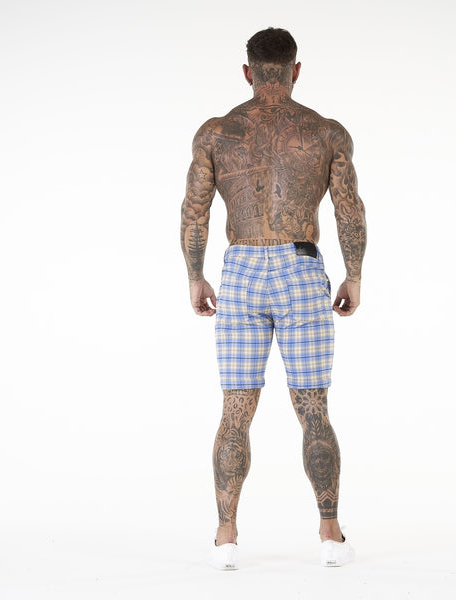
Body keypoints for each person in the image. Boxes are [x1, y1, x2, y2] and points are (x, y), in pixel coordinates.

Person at [180, 27, 366, 569]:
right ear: (296, 70)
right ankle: (330, 536)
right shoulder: (326, 132)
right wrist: (354, 275)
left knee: (235, 410)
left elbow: (194, 210)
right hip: (301, 270)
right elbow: (349, 209)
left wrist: (196, 276)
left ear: (248, 71)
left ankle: (225, 538)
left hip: (240, 268)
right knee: (313, 407)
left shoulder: (216, 132)